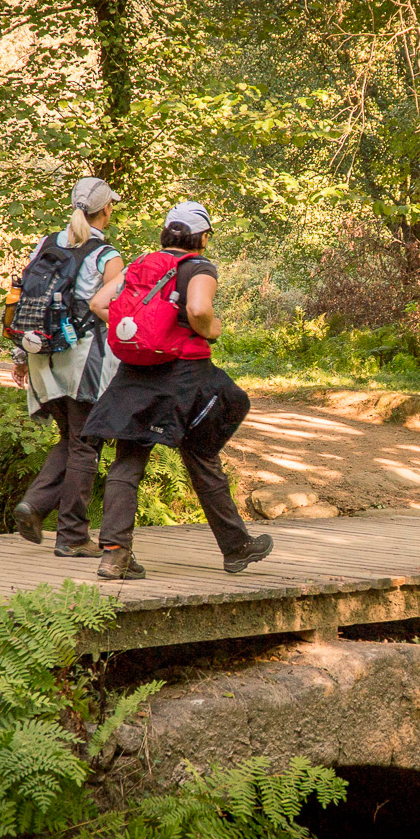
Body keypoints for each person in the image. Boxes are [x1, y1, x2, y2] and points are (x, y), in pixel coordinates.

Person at [82, 200, 271, 580]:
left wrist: (140, 333)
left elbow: (100, 302)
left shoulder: (140, 265)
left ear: (167, 233)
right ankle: (235, 548)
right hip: (185, 374)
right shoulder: (197, 267)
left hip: (135, 371)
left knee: (128, 458)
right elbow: (200, 310)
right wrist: (210, 328)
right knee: (203, 450)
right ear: (201, 237)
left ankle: (114, 555)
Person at [9, 176, 125, 556]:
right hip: (82, 360)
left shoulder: (45, 244)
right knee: (86, 444)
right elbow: (118, 314)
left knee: (72, 437)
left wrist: (21, 356)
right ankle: (73, 536)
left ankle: (36, 504)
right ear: (107, 209)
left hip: (42, 355)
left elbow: (25, 300)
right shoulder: (106, 256)